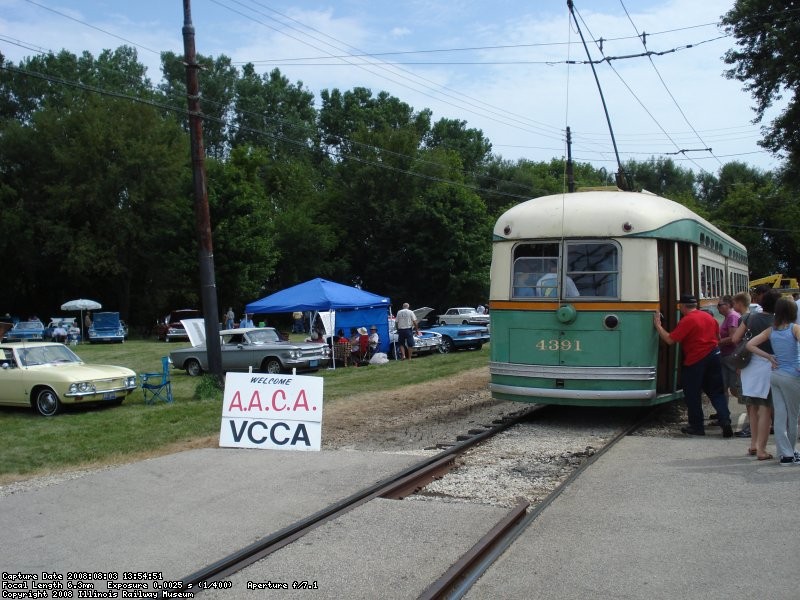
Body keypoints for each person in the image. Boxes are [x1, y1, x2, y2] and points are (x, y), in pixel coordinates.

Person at [653, 293, 733, 437]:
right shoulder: (710, 318)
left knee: (692, 394)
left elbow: (670, 340)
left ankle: (697, 426)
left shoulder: (687, 320)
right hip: (714, 356)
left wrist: (658, 326)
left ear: (682, 306)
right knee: (716, 391)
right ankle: (725, 420)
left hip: (696, 360)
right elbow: (718, 338)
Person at [746, 296, 800, 465]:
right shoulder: (795, 329)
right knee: (793, 416)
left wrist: (769, 356)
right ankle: (791, 452)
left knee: (780, 415)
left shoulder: (771, 330)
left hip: (775, 375)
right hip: (792, 376)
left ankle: (784, 454)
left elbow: (750, 345)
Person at [731, 289, 779, 458]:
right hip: (768, 364)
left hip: (748, 364)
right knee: (765, 408)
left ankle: (753, 444)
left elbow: (735, 339)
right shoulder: (776, 322)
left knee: (752, 406)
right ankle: (761, 449)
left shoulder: (749, 317)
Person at [717, 295, 741, 404]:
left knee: (734, 388)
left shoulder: (732, 317)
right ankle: (724, 414)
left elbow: (733, 338)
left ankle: (752, 408)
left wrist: (715, 343)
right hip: (726, 356)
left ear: (727, 305)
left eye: (719, 305)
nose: (717, 307)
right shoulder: (728, 316)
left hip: (731, 356)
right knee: (723, 385)